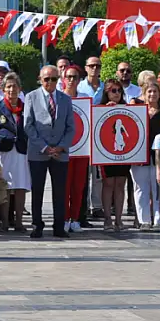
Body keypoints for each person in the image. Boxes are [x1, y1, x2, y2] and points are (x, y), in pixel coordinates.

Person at [25, 65, 75, 238]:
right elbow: (28, 126)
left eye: (54, 79)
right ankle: (37, 225)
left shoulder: (65, 99)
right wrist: (45, 147)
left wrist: (61, 146)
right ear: (40, 79)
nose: (50, 82)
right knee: (37, 190)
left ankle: (59, 226)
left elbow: (71, 127)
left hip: (60, 153)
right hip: (38, 152)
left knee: (60, 191)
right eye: (47, 79)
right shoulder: (31, 97)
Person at [0, 72, 30, 232]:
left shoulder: (26, 107)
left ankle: (19, 221)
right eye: (8, 86)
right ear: (3, 89)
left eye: (14, 86)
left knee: (20, 186)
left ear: (19, 88)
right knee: (5, 186)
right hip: (3, 151)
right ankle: (5, 221)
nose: (11, 89)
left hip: (21, 150)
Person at [131, 80, 160, 231]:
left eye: (155, 91)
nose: (152, 94)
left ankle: (158, 220)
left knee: (158, 189)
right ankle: (144, 220)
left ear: (159, 93)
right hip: (139, 155)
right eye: (149, 92)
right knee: (140, 189)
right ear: (143, 95)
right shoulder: (137, 110)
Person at [60, 64, 88, 232]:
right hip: (64, 149)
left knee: (78, 186)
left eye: (74, 77)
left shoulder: (85, 97)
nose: (71, 80)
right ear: (63, 79)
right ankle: (64, 217)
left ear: (79, 80)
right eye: (68, 77)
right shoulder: (58, 97)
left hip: (82, 149)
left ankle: (75, 218)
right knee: (64, 185)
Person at [99, 79, 130, 231]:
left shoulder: (128, 108)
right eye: (113, 91)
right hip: (106, 152)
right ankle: (107, 219)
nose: (117, 94)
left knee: (120, 184)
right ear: (107, 93)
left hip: (124, 153)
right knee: (108, 184)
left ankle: (118, 219)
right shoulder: (99, 108)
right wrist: (106, 110)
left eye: (119, 91)